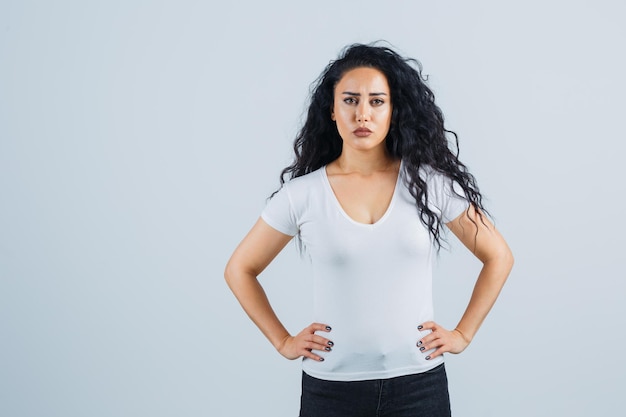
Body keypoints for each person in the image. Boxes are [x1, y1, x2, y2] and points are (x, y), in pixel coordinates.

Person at [224, 43, 513, 417]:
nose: (363, 113)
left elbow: (499, 256)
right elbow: (239, 270)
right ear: (332, 110)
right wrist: (282, 341)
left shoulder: (429, 184)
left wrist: (463, 334)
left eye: (377, 101)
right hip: (331, 391)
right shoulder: (303, 194)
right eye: (350, 100)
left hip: (419, 385)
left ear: (394, 111)